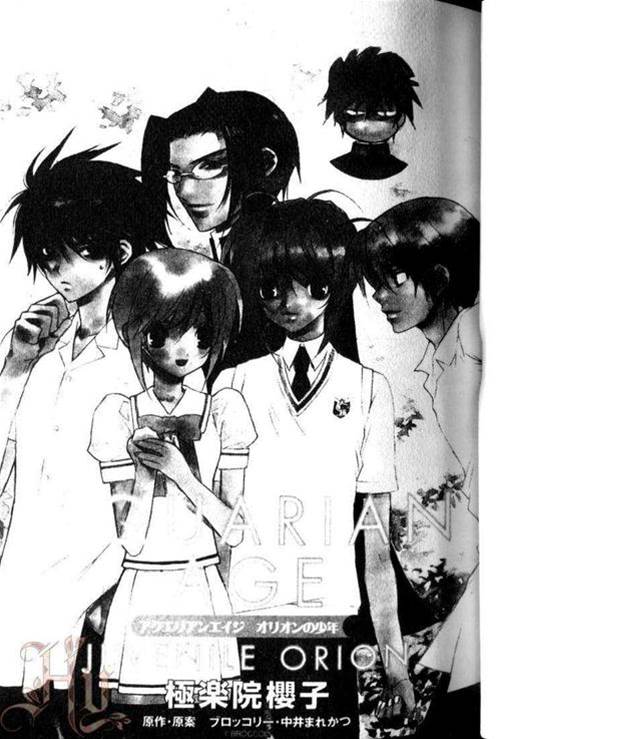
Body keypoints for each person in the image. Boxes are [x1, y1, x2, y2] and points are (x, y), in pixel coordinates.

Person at [217, 197, 416, 736]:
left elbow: (376, 546)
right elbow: (220, 522)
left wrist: (395, 666)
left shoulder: (369, 389)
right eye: (272, 289)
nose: (291, 303)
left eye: (314, 286)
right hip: (242, 620)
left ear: (338, 285)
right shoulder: (234, 384)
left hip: (329, 623)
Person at [0, 132, 150, 732]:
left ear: (117, 251)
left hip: (99, 599)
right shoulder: (42, 351)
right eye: (46, 255)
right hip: (23, 597)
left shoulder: (145, 358)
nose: (53, 270)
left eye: (67, 254)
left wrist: (116, 592)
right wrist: (15, 366)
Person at [87, 249, 253, 707]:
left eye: (200, 334)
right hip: (144, 587)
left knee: (203, 716)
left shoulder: (226, 411)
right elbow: (129, 538)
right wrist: (146, 474)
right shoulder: (117, 414)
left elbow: (235, 528)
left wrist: (179, 472)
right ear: (138, 333)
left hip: (201, 584)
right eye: (161, 333)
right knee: (142, 718)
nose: (181, 349)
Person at [356, 197, 482, 737]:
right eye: (375, 283)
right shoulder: (438, 361)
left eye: (394, 281)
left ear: (441, 278)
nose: (379, 296)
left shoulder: (471, 357)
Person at [141, 88, 300, 258]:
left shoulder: (293, 248)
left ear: (264, 163)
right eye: (175, 171)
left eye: (209, 166)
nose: (185, 191)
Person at [322, 47, 421, 180]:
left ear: (401, 118)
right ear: (340, 117)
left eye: (383, 114)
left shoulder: (401, 168)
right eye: (356, 113)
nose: (368, 122)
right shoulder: (337, 166)